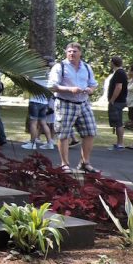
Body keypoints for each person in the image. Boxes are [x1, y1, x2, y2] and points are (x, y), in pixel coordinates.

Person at [48, 42, 99, 174]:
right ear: (66, 53)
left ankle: (84, 162)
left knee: (90, 131)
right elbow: (52, 85)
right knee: (63, 134)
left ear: (80, 53)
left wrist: (90, 90)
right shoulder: (60, 67)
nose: (71, 53)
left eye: (74, 51)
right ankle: (65, 164)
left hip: (83, 103)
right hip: (65, 103)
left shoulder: (86, 67)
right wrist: (70, 89)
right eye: (69, 51)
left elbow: (93, 84)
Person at [22, 55, 55, 150]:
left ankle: (32, 143)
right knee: (43, 123)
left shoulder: (36, 73)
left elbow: (27, 79)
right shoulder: (50, 73)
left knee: (33, 123)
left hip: (35, 100)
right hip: (44, 101)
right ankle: (50, 143)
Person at [106, 56, 128, 150]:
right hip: (119, 100)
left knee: (118, 122)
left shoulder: (119, 72)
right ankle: (119, 142)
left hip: (118, 101)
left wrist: (112, 99)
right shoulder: (119, 73)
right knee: (116, 121)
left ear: (113, 63)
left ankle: (120, 143)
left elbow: (118, 87)